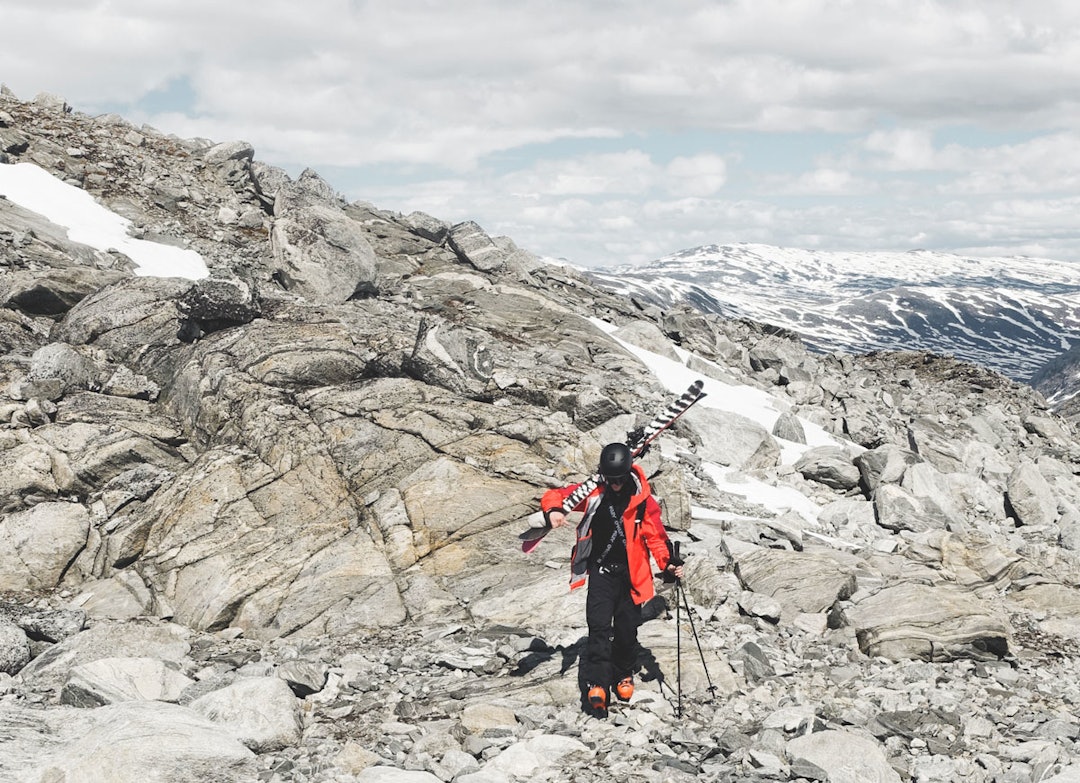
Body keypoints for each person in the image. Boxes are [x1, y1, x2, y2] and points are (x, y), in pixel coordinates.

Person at [541, 442, 684, 717]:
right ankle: (597, 682)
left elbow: (656, 537)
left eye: (619, 479)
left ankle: (623, 674)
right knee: (598, 627)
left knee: (627, 630)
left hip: (632, 575)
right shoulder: (593, 492)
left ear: (628, 473)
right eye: (611, 479)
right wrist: (554, 511)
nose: (615, 485)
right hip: (601, 572)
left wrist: (668, 564)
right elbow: (556, 495)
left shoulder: (643, 501)